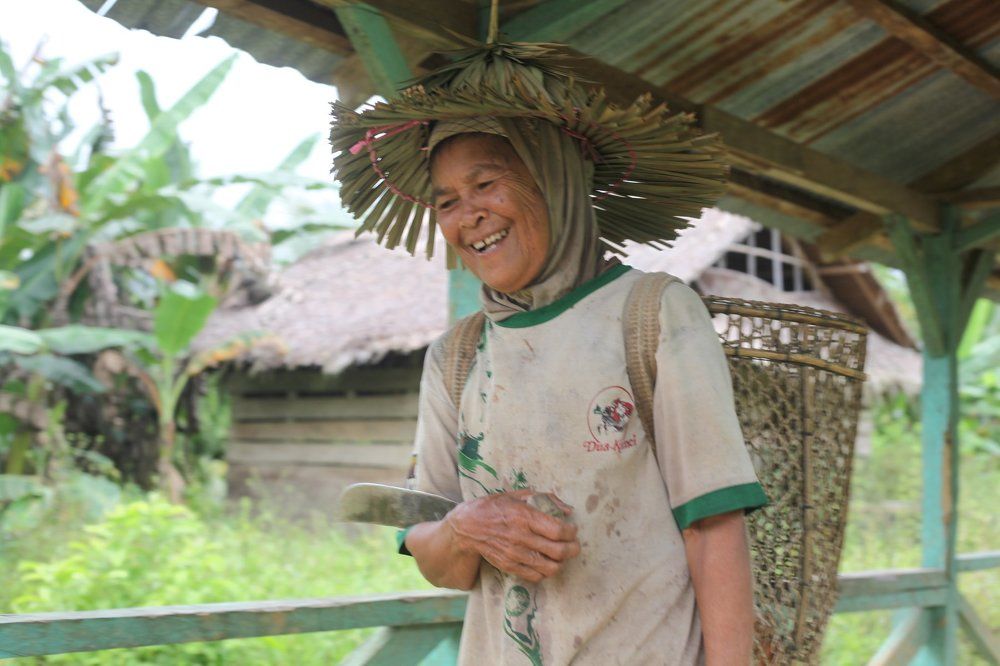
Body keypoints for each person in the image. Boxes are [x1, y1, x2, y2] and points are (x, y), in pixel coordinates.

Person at [331, 41, 768, 666]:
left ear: (554, 178)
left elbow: (714, 527)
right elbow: (436, 557)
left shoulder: (650, 315)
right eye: (448, 200)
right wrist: (464, 528)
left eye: (487, 183)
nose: (469, 215)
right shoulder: (456, 357)